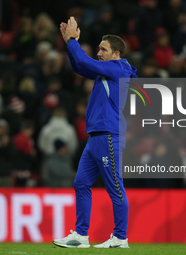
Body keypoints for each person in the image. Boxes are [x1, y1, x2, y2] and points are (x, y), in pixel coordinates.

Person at [53, 17, 137, 248]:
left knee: (115, 187)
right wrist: (69, 45)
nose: (99, 53)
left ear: (116, 54)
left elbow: (85, 61)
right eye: (99, 48)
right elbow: (80, 65)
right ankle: (80, 236)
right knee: (81, 182)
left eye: (103, 49)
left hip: (108, 134)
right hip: (96, 137)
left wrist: (72, 41)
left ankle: (120, 237)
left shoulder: (118, 69)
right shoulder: (108, 71)